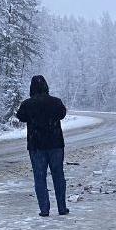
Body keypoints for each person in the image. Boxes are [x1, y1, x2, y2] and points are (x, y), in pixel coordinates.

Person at [16, 75, 69, 217]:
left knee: (39, 177)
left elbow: (20, 116)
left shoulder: (27, 104)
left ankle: (44, 209)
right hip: (55, 143)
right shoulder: (56, 102)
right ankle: (62, 208)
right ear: (46, 86)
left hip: (36, 145)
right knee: (58, 175)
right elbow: (62, 114)